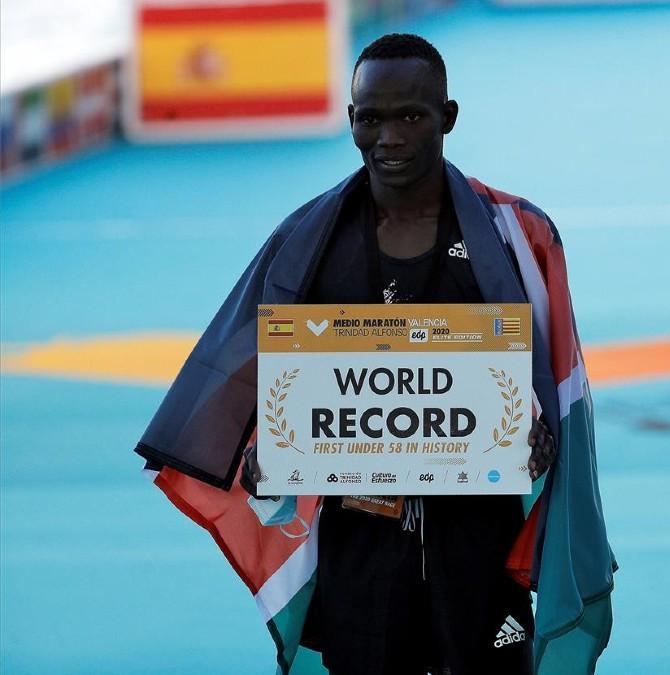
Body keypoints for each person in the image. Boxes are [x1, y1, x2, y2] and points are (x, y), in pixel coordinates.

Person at [135, 33, 615, 675]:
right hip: (357, 550)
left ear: (448, 117)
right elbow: (258, 402)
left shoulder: (517, 237)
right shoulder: (307, 243)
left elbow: (557, 390)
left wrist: (541, 440)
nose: (389, 137)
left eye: (411, 116)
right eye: (370, 119)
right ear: (352, 121)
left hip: (481, 547)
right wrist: (263, 460)